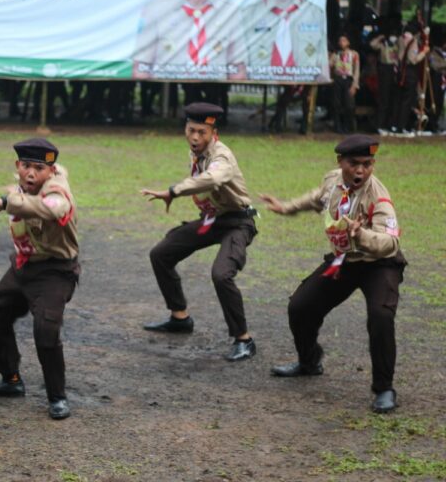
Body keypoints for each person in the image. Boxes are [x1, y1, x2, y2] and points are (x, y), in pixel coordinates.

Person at [262, 135, 405, 413]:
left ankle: (384, 388)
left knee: (381, 316)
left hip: (379, 264)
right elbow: (319, 198)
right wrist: (286, 207)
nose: (361, 171)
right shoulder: (333, 181)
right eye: (354, 164)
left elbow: (391, 243)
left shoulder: (379, 197)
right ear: (340, 162)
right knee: (301, 306)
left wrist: (361, 234)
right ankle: (309, 361)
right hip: (344, 261)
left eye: (367, 164)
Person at [0, 138, 79, 420]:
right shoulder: (20, 186)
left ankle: (57, 397)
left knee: (46, 331)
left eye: (39, 168)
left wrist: (8, 202)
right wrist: (11, 198)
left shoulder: (57, 189)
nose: (31, 173)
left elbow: (53, 209)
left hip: (56, 270)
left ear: (51, 171)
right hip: (23, 267)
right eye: (26, 166)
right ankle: (11, 381)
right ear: (18, 166)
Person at [140, 103, 258, 361]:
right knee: (161, 253)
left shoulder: (221, 156)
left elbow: (213, 179)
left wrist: (174, 191)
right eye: (191, 130)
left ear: (213, 133)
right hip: (212, 220)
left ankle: (244, 339)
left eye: (202, 132)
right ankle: (180, 317)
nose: (195, 137)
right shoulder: (196, 151)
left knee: (221, 274)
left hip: (238, 222)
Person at [133, 0, 245, 81]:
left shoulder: (230, 12)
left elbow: (238, 69)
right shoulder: (155, 10)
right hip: (168, 93)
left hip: (214, 94)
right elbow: (141, 67)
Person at [243, 0, 329, 82]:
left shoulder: (316, 14)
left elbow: (323, 68)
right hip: (258, 92)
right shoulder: (248, 15)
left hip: (302, 92)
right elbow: (239, 69)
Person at [393, 24, 429, 136]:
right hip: (409, 72)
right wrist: (424, 52)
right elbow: (413, 59)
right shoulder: (412, 41)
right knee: (407, 101)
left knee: (400, 100)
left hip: (400, 72)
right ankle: (402, 126)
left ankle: (396, 124)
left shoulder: (400, 39)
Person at [329, 34, 360, 134]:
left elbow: (356, 71)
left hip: (348, 80)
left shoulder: (354, 54)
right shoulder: (335, 55)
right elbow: (329, 65)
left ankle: (348, 126)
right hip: (338, 80)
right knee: (336, 104)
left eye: (344, 41)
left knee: (349, 105)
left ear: (348, 42)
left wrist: (354, 85)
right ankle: (338, 126)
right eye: (340, 41)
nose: (341, 43)